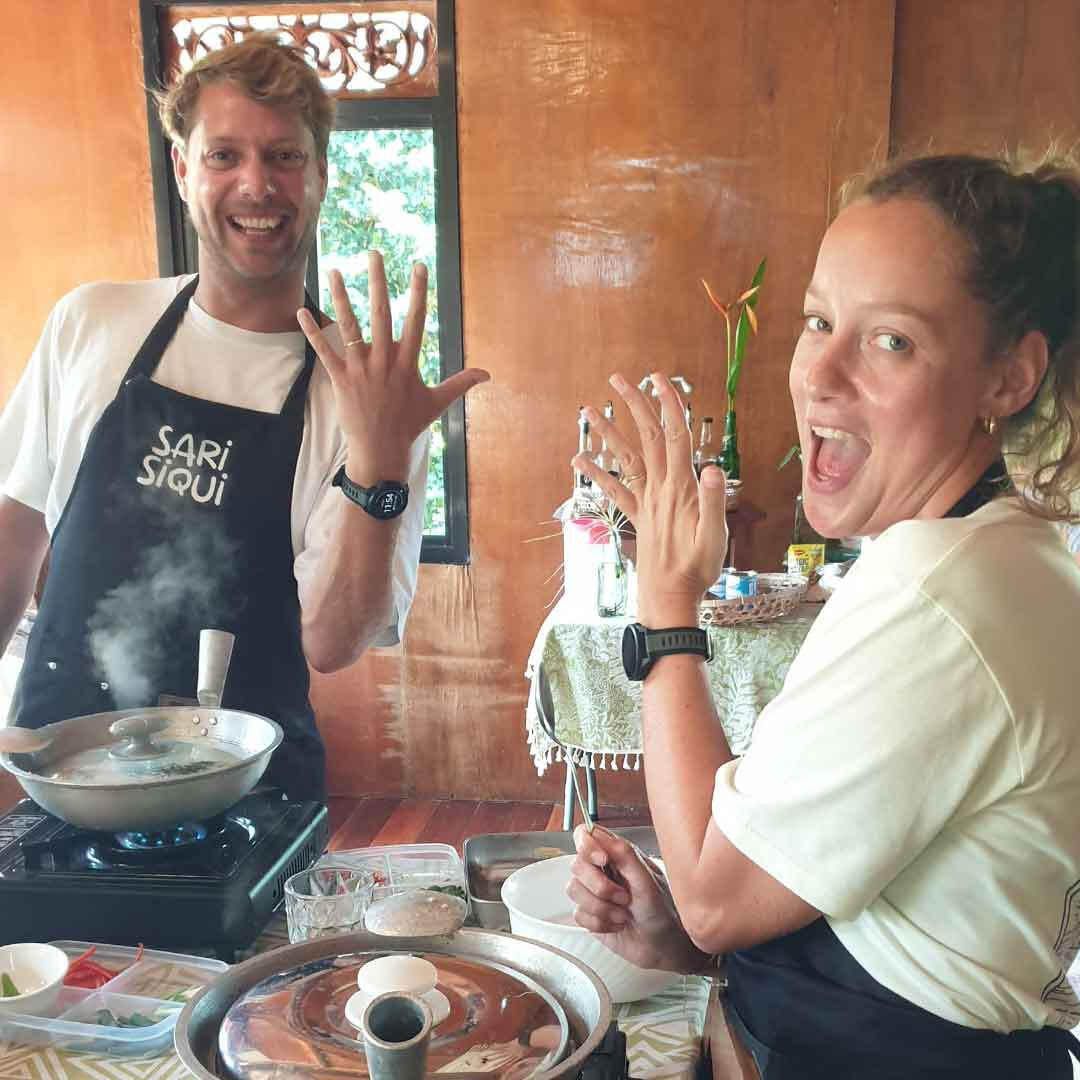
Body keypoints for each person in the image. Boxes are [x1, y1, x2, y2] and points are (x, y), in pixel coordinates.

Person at [569, 151, 1080, 1077]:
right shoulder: (1013, 553)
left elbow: (718, 896)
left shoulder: (943, 587)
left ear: (1009, 378)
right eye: (818, 321)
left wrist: (667, 603)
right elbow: (902, 932)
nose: (821, 376)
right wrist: (684, 940)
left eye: (893, 340)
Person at [0, 34, 488, 804]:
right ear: (183, 169)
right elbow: (14, 535)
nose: (257, 185)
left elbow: (332, 643)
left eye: (284, 156)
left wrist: (379, 461)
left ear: (320, 173)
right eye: (224, 155)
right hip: (57, 781)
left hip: (250, 803)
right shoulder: (91, 324)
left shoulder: (367, 401)